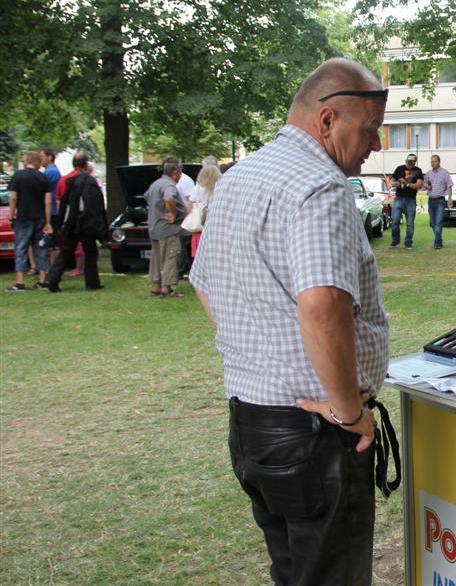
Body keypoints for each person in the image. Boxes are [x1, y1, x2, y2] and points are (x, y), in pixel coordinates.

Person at [190, 57, 391, 585]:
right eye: (369, 130)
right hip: (315, 435)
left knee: (294, 573)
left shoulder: (240, 176)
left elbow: (204, 282)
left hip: (254, 424)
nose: (377, 146)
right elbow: (323, 304)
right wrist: (350, 413)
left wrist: (257, 355)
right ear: (328, 120)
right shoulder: (319, 187)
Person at [44, 156, 106, 292]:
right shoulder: (90, 181)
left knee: (66, 251)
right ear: (86, 164)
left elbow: (62, 202)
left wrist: (63, 223)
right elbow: (95, 205)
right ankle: (92, 282)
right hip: (86, 223)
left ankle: (51, 279)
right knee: (90, 252)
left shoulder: (68, 181)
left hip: (71, 222)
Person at [6, 151, 52, 291]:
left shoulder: (18, 176)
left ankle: (20, 281)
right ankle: (42, 280)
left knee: (21, 247)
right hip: (40, 217)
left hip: (24, 217)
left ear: (26, 161)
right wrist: (48, 221)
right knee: (41, 247)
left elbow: (13, 197)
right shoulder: (43, 177)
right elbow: (48, 201)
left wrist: (11, 215)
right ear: (37, 162)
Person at [145, 157, 187, 297]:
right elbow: (169, 198)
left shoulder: (155, 184)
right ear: (175, 172)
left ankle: (156, 285)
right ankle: (166, 288)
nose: (180, 176)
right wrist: (172, 213)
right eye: (180, 173)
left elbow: (146, 197)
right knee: (170, 256)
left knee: (156, 258)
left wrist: (157, 210)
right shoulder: (169, 185)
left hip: (154, 227)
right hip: (167, 229)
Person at [187, 157, 222, 259]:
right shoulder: (221, 186)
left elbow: (189, 207)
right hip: (217, 229)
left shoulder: (197, 188)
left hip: (200, 229)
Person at [389, 153, 423, 249]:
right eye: (409, 162)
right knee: (395, 220)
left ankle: (408, 243)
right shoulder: (399, 169)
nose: (410, 165)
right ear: (406, 161)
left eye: (412, 163)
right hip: (399, 198)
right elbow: (391, 182)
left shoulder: (418, 171)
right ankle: (395, 241)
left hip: (411, 200)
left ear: (414, 162)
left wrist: (407, 184)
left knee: (410, 223)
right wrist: (399, 183)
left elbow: (419, 185)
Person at [423, 154, 453, 250]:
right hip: (431, 201)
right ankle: (439, 240)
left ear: (439, 162)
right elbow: (424, 185)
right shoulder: (428, 174)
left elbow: (449, 186)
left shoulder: (445, 173)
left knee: (438, 222)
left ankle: (437, 243)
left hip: (440, 201)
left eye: (434, 161)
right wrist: (428, 186)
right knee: (433, 223)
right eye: (431, 162)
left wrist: (449, 198)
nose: (432, 163)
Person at [40, 149, 62, 266]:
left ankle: (53, 267)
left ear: (50, 157)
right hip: (52, 210)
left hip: (52, 211)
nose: (40, 159)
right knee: (52, 240)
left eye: (42, 156)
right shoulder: (50, 171)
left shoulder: (51, 172)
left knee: (52, 240)